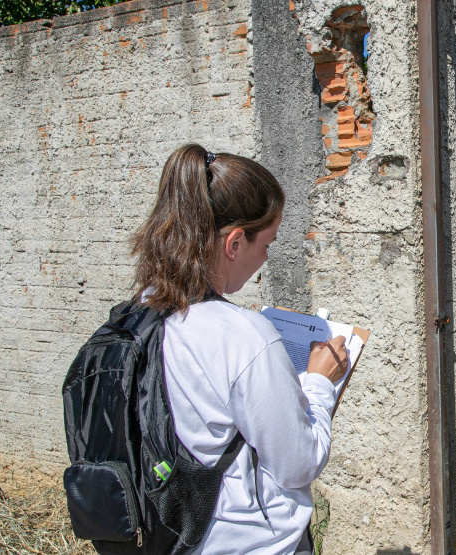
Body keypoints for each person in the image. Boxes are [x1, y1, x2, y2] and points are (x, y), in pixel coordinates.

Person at [131, 144, 347, 554]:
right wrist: (319, 382)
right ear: (233, 243)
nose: (266, 258)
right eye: (266, 244)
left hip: (171, 534)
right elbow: (297, 464)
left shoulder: (143, 307)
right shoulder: (246, 335)